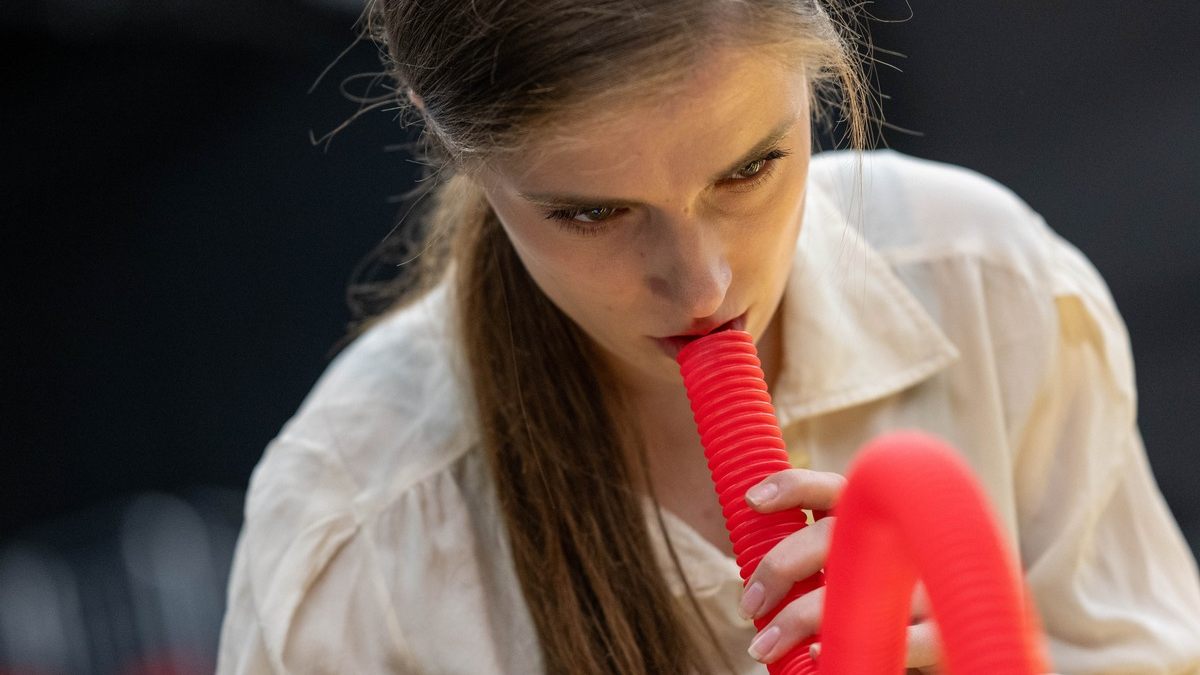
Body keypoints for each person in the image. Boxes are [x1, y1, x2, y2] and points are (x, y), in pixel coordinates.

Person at [215, 0, 1200, 673]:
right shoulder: (355, 534)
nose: (704, 286)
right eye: (593, 214)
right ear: (441, 130)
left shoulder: (991, 289)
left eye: (750, 169)